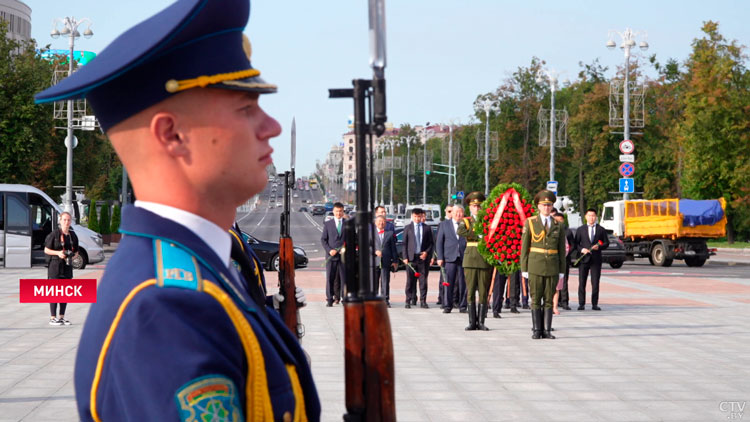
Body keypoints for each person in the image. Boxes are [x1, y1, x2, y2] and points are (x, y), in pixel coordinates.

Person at [35, 1, 321, 420]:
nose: (271, 126)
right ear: (172, 135)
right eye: (246, 109)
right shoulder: (166, 308)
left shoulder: (199, 272)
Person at [521, 190, 566, 340]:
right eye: (543, 205)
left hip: (552, 266)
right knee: (535, 298)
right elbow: (524, 247)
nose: (546, 208)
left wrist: (561, 270)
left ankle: (547, 330)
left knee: (548, 298)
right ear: (538, 206)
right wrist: (524, 268)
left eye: (549, 205)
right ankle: (536, 329)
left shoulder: (557, 225)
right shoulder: (531, 222)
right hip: (535, 265)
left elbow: (561, 250)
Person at [457, 192, 493, 331]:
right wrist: (477, 234)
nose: (477, 208)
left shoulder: (488, 221)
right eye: (474, 206)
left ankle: (481, 321)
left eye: (479, 206)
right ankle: (472, 321)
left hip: (484, 259)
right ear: (470, 207)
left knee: (483, 291)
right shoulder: (466, 221)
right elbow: (460, 231)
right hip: (471, 259)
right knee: (471, 291)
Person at [43, 211, 78, 326]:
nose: (66, 222)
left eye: (68, 220)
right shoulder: (54, 234)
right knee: (54, 292)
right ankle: (53, 317)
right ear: (60, 221)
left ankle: (61, 317)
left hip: (67, 267)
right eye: (64, 220)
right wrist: (58, 253)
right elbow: (46, 250)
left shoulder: (73, 235)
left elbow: (76, 251)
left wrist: (72, 256)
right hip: (55, 267)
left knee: (65, 293)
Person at [575, 208, 610, 311]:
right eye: (589, 215)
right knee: (582, 282)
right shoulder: (581, 229)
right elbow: (576, 244)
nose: (591, 218)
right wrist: (582, 249)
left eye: (593, 216)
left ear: (596, 217)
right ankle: (581, 303)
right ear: (586, 217)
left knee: (595, 282)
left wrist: (599, 247)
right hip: (584, 259)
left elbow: (606, 243)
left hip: (596, 259)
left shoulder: (601, 229)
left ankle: (595, 303)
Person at [436, 204, 466, 314]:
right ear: (452, 213)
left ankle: (463, 306)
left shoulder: (466, 224)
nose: (458, 214)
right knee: (448, 282)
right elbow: (439, 242)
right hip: (449, 257)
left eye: (460, 212)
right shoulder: (444, 225)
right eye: (456, 212)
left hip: (463, 257)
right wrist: (440, 257)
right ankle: (447, 305)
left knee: (463, 283)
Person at [402, 208, 434, 308]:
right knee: (410, 281)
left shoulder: (427, 228)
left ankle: (423, 301)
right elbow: (404, 244)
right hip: (411, 258)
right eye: (415, 216)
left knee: (423, 281)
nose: (417, 218)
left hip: (422, 258)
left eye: (419, 216)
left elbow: (431, 243)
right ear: (412, 216)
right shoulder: (408, 228)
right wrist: (405, 257)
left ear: (422, 216)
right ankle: (408, 300)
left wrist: (426, 253)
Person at [322, 202, 347, 306]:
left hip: (343, 256)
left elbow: (353, 239)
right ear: (333, 211)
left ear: (343, 211)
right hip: (331, 256)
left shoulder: (347, 223)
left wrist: (345, 248)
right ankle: (329, 299)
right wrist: (329, 250)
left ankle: (344, 299)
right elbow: (323, 240)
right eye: (337, 211)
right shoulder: (328, 224)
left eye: (340, 211)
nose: (339, 213)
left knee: (344, 278)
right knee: (330, 278)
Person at [373, 215, 398, 306]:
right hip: (374, 260)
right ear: (375, 223)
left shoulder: (390, 233)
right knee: (374, 282)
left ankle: (385, 299)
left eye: (383, 221)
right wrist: (375, 251)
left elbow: (393, 248)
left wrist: (395, 261)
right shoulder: (371, 233)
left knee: (385, 281)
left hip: (386, 261)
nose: (381, 223)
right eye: (379, 221)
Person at [550, 208, 568, 314]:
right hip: (546, 263)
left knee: (556, 287)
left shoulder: (560, 232)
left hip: (557, 262)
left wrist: (559, 257)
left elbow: (566, 247)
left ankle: (555, 306)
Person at [435, 205, 453, 307]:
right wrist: (439, 256)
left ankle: (454, 299)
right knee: (444, 279)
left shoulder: (460, 223)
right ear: (445, 212)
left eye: (452, 211)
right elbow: (438, 241)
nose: (451, 213)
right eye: (449, 211)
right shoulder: (442, 224)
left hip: (454, 255)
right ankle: (442, 298)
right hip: (445, 256)